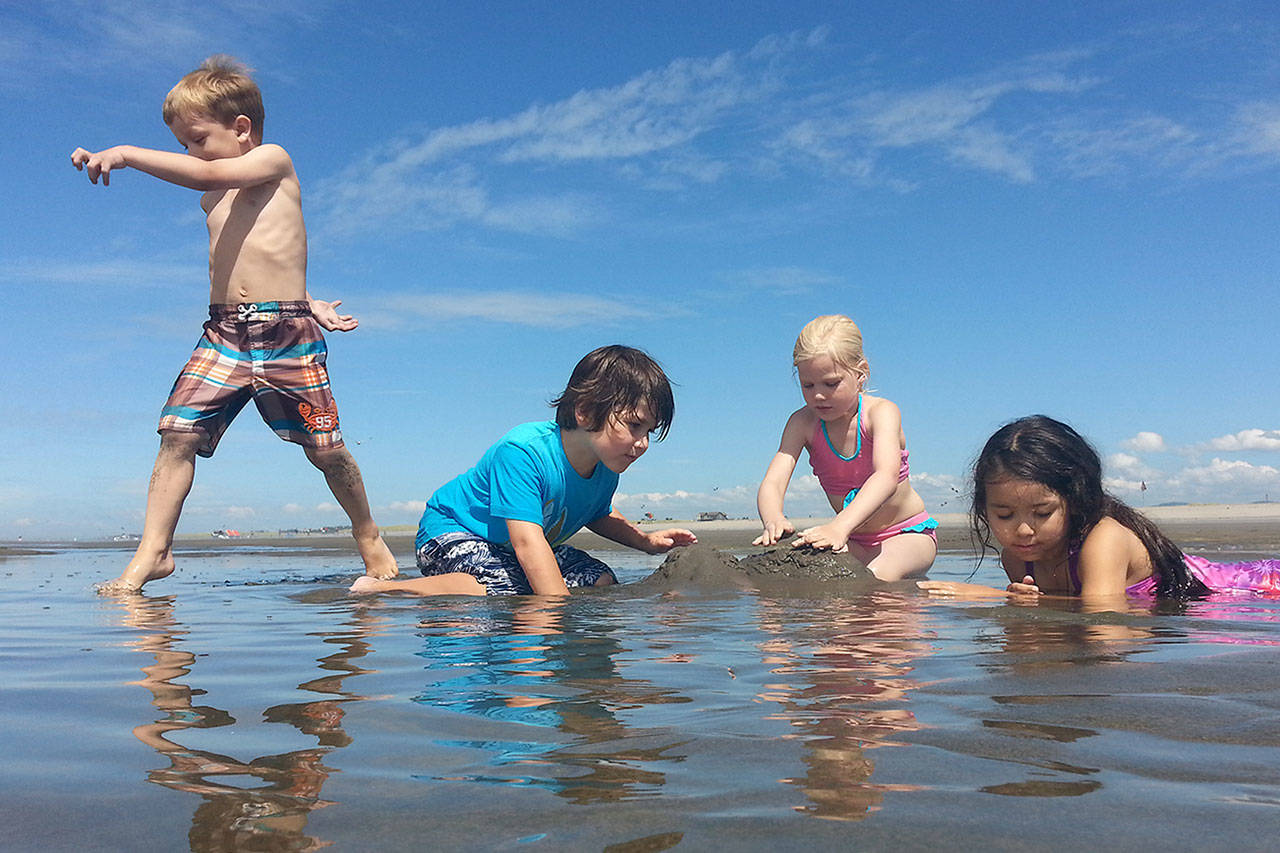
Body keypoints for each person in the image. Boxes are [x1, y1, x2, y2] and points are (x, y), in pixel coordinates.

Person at [71, 55, 398, 593]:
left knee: (326, 448)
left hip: (285, 335)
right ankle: (154, 552)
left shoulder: (273, 159)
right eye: (182, 144)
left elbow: (212, 171)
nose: (189, 153)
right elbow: (262, 252)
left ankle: (368, 535)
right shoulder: (212, 197)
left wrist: (125, 154)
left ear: (241, 129)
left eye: (195, 138)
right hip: (224, 334)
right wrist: (311, 295)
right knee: (176, 434)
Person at [351, 346, 696, 597]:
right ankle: (386, 593)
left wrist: (646, 541)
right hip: (453, 534)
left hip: (507, 550)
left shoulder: (606, 466)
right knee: (503, 586)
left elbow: (599, 513)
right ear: (586, 412)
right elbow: (528, 544)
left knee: (598, 577)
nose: (643, 443)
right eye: (635, 426)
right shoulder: (524, 451)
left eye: (649, 432)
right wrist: (556, 615)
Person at [919, 415, 1280, 604]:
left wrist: (989, 597)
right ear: (983, 509)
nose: (1023, 530)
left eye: (1042, 513)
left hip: (1254, 587)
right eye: (1004, 514)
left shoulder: (1103, 539)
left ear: (1075, 500)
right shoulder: (1017, 559)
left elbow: (1100, 623)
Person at [754, 315, 936, 581]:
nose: (818, 394)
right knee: (807, 571)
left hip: (907, 534)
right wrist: (773, 519)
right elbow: (773, 482)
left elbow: (886, 477)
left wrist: (839, 526)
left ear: (860, 373)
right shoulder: (801, 423)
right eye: (808, 385)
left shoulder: (881, 413)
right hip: (853, 539)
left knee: (871, 580)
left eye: (831, 384)